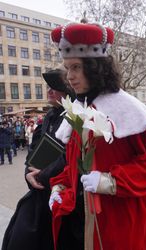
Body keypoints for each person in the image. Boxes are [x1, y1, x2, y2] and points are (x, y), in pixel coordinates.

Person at [48, 22, 146, 250]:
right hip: (80, 218)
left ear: (95, 68)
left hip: (121, 218)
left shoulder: (128, 107)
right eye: (68, 68)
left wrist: (110, 181)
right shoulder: (77, 108)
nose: (70, 77)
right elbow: (74, 164)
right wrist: (59, 187)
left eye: (76, 67)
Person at [1, 68, 74, 250]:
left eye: (54, 87)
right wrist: (28, 173)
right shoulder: (48, 116)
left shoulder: (75, 117)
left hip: (61, 191)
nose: (49, 91)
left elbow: (70, 156)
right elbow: (34, 150)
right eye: (48, 87)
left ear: (66, 92)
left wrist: (42, 175)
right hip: (40, 191)